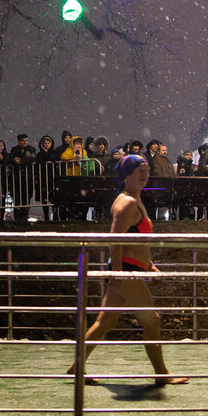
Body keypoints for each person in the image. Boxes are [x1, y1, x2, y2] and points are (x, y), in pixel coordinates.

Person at [66, 155, 188, 386]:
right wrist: (119, 273)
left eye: (147, 170)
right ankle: (161, 374)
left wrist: (150, 265)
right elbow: (115, 240)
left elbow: (136, 241)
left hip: (128, 269)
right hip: (126, 271)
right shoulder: (128, 203)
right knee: (152, 320)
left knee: (105, 323)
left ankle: (76, 367)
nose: (146, 175)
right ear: (126, 175)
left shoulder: (134, 199)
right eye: (140, 171)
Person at [9, 134, 37, 221]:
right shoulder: (14, 149)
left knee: (26, 198)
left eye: (26, 140)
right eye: (23, 140)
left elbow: (32, 158)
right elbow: (10, 158)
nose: (25, 142)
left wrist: (21, 161)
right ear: (19, 141)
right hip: (16, 178)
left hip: (27, 178)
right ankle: (17, 217)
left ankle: (25, 216)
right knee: (17, 199)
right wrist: (14, 160)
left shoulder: (31, 149)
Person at [35, 135, 57, 220]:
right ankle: (46, 215)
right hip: (43, 178)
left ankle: (55, 215)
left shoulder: (54, 153)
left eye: (48, 143)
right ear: (42, 144)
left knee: (53, 198)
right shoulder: (39, 155)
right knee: (44, 198)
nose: (47, 145)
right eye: (45, 143)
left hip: (52, 178)